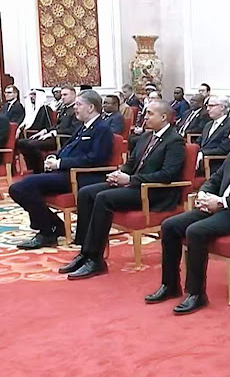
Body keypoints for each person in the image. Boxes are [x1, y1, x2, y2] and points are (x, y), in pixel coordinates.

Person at [144, 113, 230, 314]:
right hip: (218, 207)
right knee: (169, 226)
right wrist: (204, 193)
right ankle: (170, 284)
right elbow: (214, 179)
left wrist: (222, 202)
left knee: (195, 231)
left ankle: (196, 293)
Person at [59, 100, 185, 280]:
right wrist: (119, 173)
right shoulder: (146, 137)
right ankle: (85, 251)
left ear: (163, 117)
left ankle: (95, 260)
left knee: (103, 198)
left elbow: (168, 174)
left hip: (154, 192)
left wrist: (131, 179)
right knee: (86, 192)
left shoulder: (174, 141)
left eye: (149, 114)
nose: (144, 117)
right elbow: (131, 164)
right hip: (135, 185)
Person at [10, 90, 114, 250]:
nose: (75, 109)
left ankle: (49, 230)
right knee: (21, 187)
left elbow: (95, 159)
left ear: (91, 107)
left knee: (21, 187)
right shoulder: (83, 127)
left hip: (79, 176)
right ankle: (52, 226)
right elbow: (67, 148)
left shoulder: (102, 129)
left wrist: (60, 164)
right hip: (64, 172)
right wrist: (53, 158)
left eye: (79, 105)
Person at [17, 86, 80, 174]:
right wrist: (45, 130)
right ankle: (33, 168)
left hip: (63, 139)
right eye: (62, 95)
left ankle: (39, 170)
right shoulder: (63, 109)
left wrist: (54, 133)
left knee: (32, 144)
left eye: (65, 95)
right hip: (55, 136)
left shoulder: (76, 110)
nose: (62, 97)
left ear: (74, 95)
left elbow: (74, 129)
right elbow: (57, 125)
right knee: (22, 142)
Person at [196, 95, 230, 175]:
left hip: (215, 164)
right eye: (207, 106)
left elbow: (223, 149)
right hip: (200, 161)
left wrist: (203, 153)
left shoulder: (229, 125)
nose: (208, 109)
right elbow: (199, 142)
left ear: (222, 107)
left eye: (211, 106)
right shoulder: (208, 124)